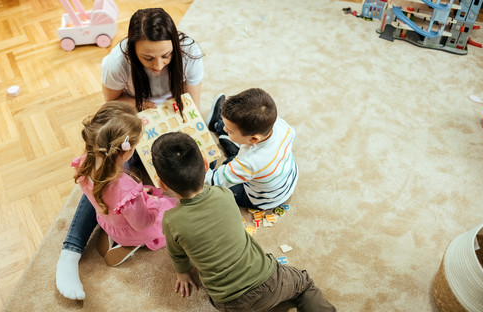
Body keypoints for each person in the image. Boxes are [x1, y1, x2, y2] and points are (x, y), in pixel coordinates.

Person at [56, 7, 203, 300]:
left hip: (170, 121)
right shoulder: (116, 62)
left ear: (175, 44)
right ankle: (70, 251)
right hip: (135, 119)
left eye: (166, 56)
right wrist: (142, 104)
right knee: (103, 171)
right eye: (148, 58)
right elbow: (110, 107)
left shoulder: (190, 53)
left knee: (183, 172)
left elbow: (190, 106)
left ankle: (119, 228)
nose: (159, 66)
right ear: (132, 49)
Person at [151, 132, 336, 312]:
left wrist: (182, 273)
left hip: (227, 302)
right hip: (268, 281)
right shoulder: (223, 194)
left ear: (162, 184)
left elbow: (178, 255)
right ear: (206, 165)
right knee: (302, 283)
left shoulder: (171, 221)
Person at [57, 101, 177, 300]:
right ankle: (130, 243)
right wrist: (152, 203)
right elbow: (143, 222)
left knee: (144, 198)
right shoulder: (126, 188)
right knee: (170, 209)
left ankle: (114, 236)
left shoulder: (84, 165)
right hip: (132, 230)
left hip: (106, 222)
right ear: (126, 151)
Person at [205, 88, 298, 210]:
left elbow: (215, 181)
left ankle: (224, 134)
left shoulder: (248, 162)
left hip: (262, 199)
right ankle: (218, 126)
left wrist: (204, 168)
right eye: (225, 127)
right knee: (238, 142)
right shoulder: (281, 125)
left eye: (229, 131)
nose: (225, 130)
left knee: (217, 189)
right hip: (286, 180)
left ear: (254, 139)